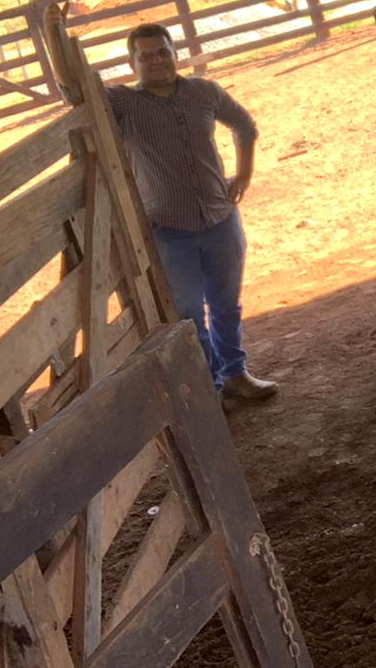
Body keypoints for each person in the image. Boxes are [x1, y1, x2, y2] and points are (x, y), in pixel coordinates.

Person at [106, 22, 278, 402]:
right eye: (145, 55)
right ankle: (210, 387)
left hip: (220, 217)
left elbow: (245, 126)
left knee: (225, 303)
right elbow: (75, 94)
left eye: (162, 52)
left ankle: (235, 373)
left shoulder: (203, 92)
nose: (156, 61)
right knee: (187, 313)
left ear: (174, 53)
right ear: (131, 61)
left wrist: (244, 175)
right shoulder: (122, 104)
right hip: (169, 228)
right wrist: (54, 36)